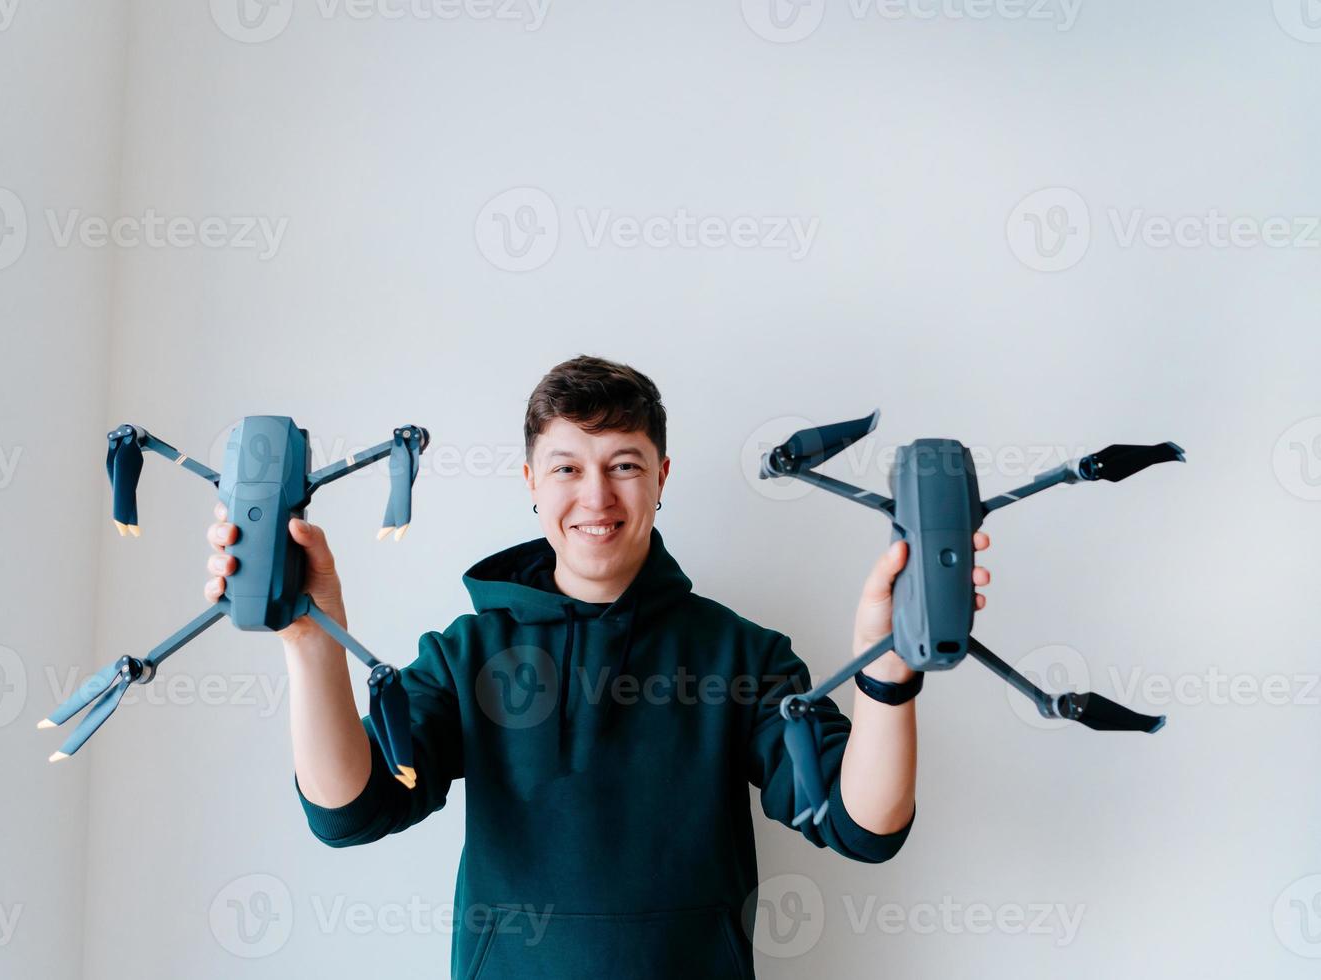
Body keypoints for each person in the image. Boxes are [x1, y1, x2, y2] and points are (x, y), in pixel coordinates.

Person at [202, 356, 991, 979]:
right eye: (567, 467)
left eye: (624, 464)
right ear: (531, 484)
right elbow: (351, 811)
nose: (597, 495)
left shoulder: (740, 654)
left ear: (661, 477)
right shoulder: (469, 651)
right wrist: (312, 640)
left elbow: (863, 827)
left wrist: (888, 671)